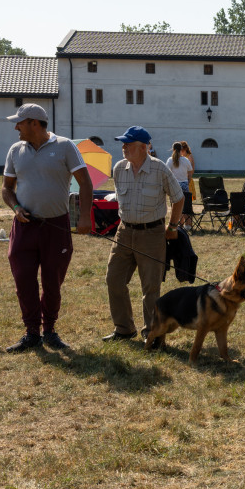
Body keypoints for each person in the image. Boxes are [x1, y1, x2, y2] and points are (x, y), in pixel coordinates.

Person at [1, 103, 93, 353]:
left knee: (52, 281)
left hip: (56, 226)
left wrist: (84, 216)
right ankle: (31, 333)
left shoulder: (65, 146)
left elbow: (84, 181)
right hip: (24, 226)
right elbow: (6, 188)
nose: (16, 127)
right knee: (24, 280)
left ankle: (49, 331)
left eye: (19, 122)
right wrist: (16, 208)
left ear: (33, 123)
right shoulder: (15, 150)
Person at [103, 126, 185, 344]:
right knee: (114, 279)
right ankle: (123, 329)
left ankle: (153, 332)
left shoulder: (160, 169)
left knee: (151, 287)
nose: (123, 147)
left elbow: (178, 198)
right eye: (123, 143)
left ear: (143, 147)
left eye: (127, 144)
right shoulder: (119, 168)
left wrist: (173, 226)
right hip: (124, 232)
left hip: (152, 234)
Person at [167, 142, 194, 228]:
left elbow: (167, 173)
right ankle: (188, 225)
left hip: (174, 185)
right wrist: (188, 180)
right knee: (186, 206)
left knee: (175, 207)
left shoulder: (170, 160)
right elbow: (190, 171)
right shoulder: (185, 160)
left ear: (173, 149)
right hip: (184, 184)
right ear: (181, 149)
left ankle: (178, 224)